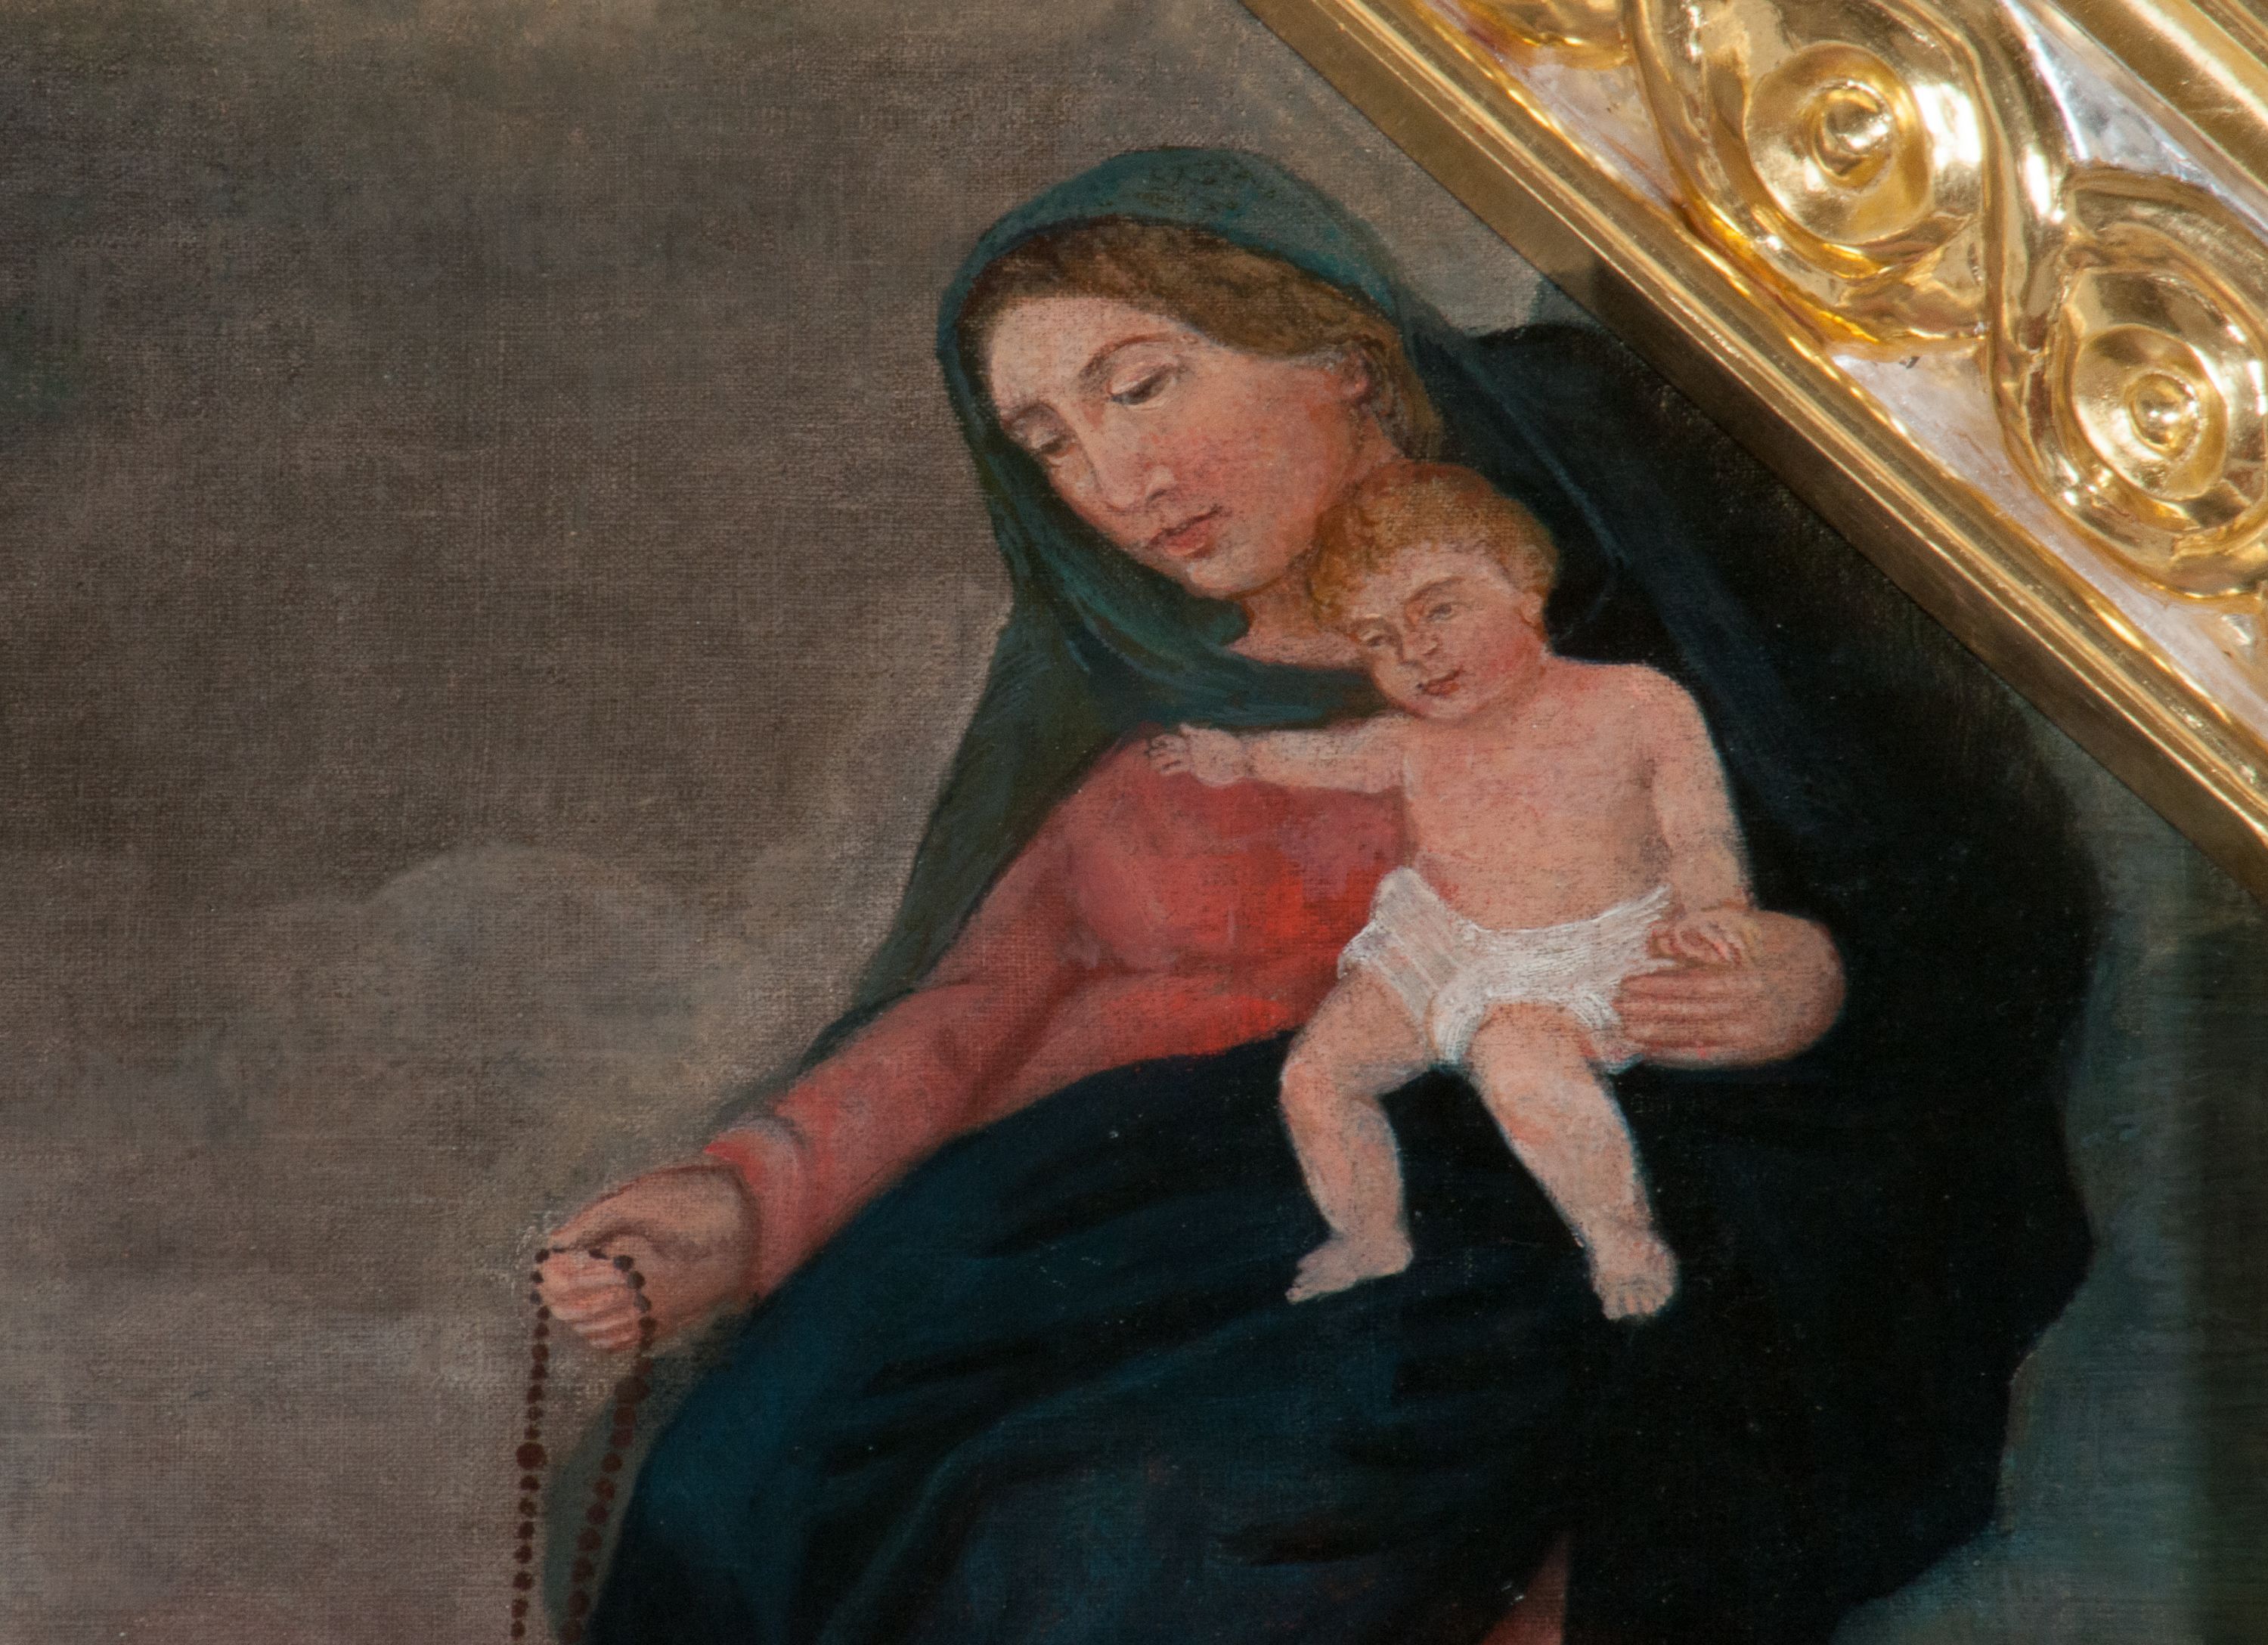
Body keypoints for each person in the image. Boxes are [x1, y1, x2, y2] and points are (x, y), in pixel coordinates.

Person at [536, 149, 2099, 1645]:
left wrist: (1807, 973)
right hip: (1077, 1235)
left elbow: (1925, 883)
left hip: (1475, 1243)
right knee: (742, 1478)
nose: (1118, 480)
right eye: (1049, 444)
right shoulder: (1114, 693)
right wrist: (743, 1199)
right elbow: (976, 1004)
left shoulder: (1617, 592)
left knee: (1121, 1534)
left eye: (1141, 385)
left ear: (1341, 352)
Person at [1151, 460, 1761, 1318]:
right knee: (1315, 1075)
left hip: (1588, 959)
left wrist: (1715, 910)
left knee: (1519, 1065)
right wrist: (1240, 757)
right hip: (1445, 945)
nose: (1414, 652)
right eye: (1376, 639)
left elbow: (1700, 833)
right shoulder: (1410, 741)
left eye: (1438, 609)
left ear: (1526, 589)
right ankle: (1370, 1234)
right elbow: (1324, 757)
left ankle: (1619, 1235)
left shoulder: (1637, 701)